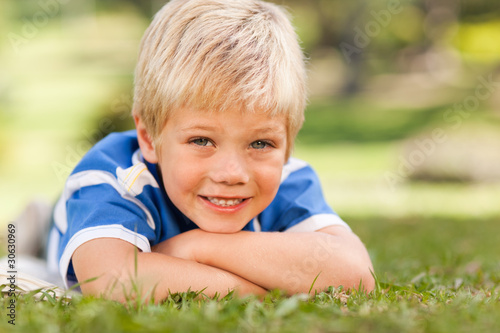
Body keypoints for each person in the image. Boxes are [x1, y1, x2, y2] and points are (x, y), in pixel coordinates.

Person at [46, 0, 375, 302]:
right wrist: (261, 293)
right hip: (69, 221)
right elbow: (112, 281)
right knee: (45, 226)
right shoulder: (117, 175)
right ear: (149, 138)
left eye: (260, 143)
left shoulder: (291, 182)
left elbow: (355, 273)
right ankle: (38, 220)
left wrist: (196, 247)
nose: (231, 173)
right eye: (201, 141)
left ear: (288, 144)